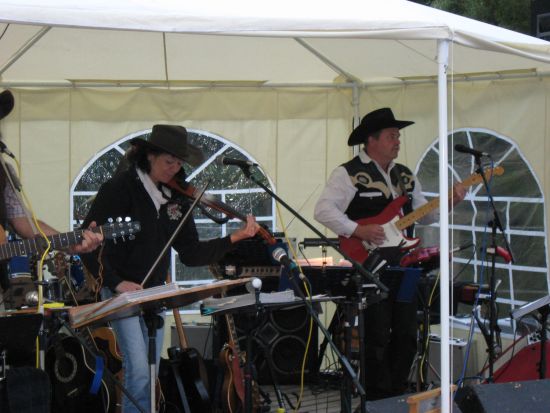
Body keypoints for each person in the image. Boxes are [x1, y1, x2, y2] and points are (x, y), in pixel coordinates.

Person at [81, 124, 260, 413]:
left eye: (179, 163)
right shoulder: (118, 188)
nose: (174, 169)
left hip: (154, 294)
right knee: (139, 370)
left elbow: (191, 253)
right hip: (120, 291)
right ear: (149, 156)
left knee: (151, 372)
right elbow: (85, 243)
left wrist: (235, 238)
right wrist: (115, 282)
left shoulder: (176, 198)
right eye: (168, 161)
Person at [314, 107, 465, 399]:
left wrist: (449, 202)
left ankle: (397, 396)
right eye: (391, 136)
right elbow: (323, 210)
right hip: (370, 265)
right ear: (371, 140)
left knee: (407, 334)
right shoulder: (348, 173)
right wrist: (358, 230)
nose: (397, 141)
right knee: (377, 334)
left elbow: (424, 214)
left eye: (398, 136)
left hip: (404, 265)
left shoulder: (405, 175)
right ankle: (376, 399)